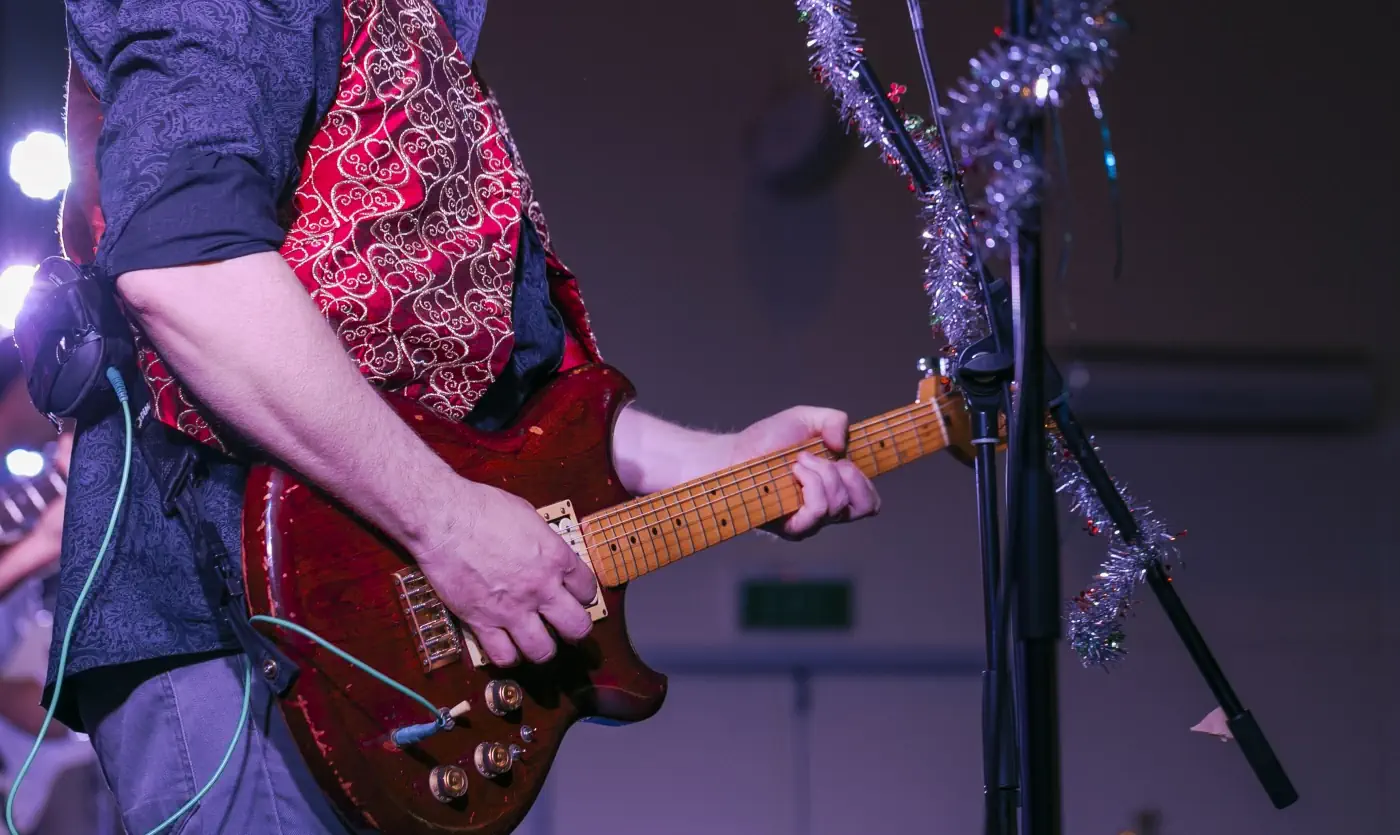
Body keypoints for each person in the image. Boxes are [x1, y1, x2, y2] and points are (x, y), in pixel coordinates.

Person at [51, 1, 882, 832]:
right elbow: (187, 268)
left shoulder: (421, 31)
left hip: (400, 656)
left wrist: (727, 461)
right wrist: (447, 522)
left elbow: (509, 405)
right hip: (242, 630)